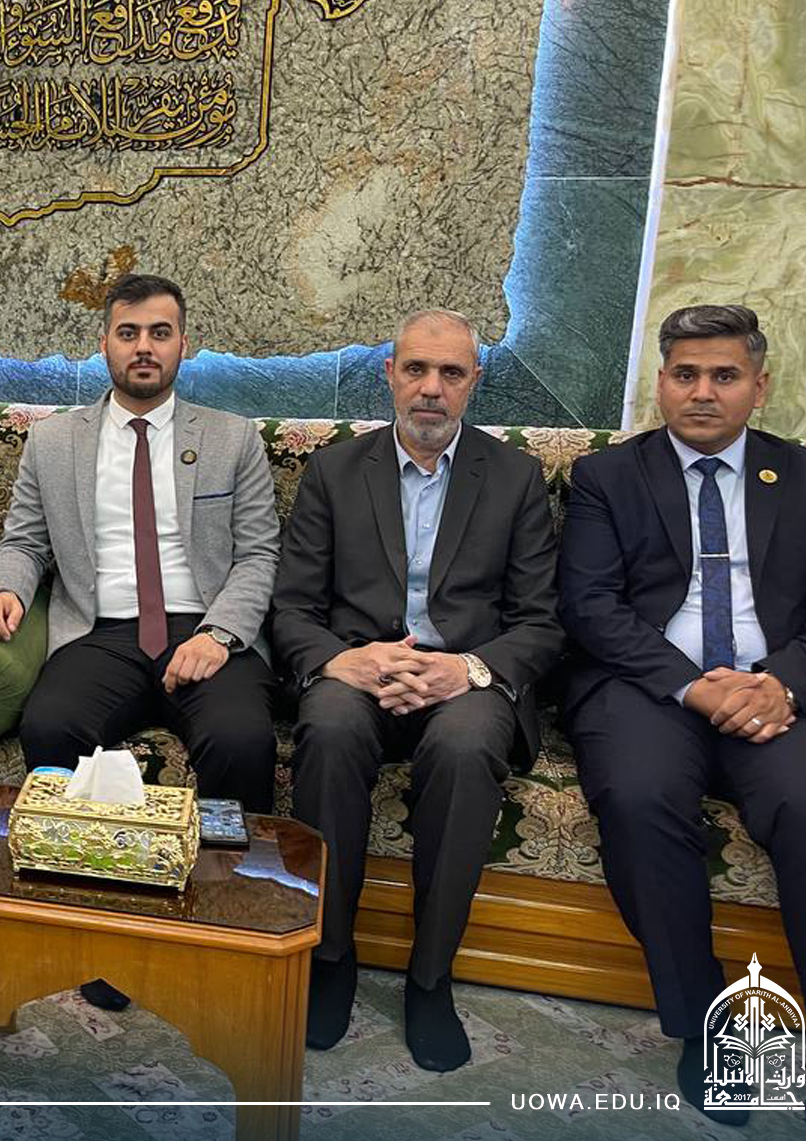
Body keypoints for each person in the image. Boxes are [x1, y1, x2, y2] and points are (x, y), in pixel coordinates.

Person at [559, 303, 806, 1137]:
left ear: (759, 387)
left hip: (778, 690)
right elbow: (590, 606)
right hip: (647, 688)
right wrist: (691, 687)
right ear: (661, 383)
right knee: (638, 797)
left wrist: (782, 685)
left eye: (724, 375)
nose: (703, 391)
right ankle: (707, 1020)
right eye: (686, 374)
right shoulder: (606, 477)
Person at [0, 272, 280, 1010]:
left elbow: (258, 555)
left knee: (241, 738)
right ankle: (100, 922)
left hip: (203, 628)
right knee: (52, 724)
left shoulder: (232, 438)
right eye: (129, 332)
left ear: (184, 345)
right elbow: (24, 542)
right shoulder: (54, 442)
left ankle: (224, 914)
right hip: (102, 630)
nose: (144, 347)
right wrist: (4, 589)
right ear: (105, 343)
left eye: (160, 333)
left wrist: (219, 633)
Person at [271, 307, 562, 1071]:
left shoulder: (515, 477)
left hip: (466, 678)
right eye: (416, 370)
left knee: (465, 748)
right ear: (390, 375)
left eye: (451, 372)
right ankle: (330, 959)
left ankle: (430, 978)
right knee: (329, 728)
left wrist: (463, 670)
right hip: (359, 670)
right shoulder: (335, 471)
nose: (431, 388)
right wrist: (342, 661)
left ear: (474, 382)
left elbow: (541, 622)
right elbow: (292, 608)